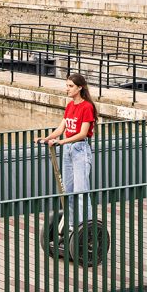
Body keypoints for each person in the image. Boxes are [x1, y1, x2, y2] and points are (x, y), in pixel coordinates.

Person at [36, 74, 98, 224]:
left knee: (81, 191)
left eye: (70, 86)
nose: (67, 89)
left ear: (79, 87)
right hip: (68, 151)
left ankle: (86, 226)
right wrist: (47, 139)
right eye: (67, 86)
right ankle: (71, 226)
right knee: (68, 192)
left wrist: (62, 142)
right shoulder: (70, 106)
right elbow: (61, 127)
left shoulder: (87, 107)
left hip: (80, 150)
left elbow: (83, 133)